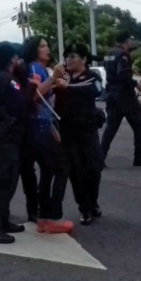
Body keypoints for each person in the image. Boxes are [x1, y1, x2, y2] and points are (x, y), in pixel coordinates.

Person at [0, 42, 34, 244]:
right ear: (12, 59)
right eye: (17, 57)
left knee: (2, 181)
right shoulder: (8, 79)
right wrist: (31, 87)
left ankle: (2, 220)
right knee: (5, 184)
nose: (20, 61)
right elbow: (21, 105)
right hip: (4, 137)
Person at [22, 36, 73, 234]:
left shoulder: (38, 68)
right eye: (42, 46)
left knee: (49, 169)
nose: (47, 49)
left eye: (47, 45)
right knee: (61, 167)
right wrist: (53, 79)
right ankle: (52, 216)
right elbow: (34, 95)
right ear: (34, 50)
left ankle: (44, 216)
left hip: (41, 124)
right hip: (40, 125)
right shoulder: (35, 69)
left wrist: (53, 85)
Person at [53, 43, 105, 225]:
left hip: (88, 129)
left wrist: (67, 87)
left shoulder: (92, 76)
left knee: (94, 167)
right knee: (76, 170)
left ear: (84, 59)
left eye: (73, 56)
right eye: (67, 56)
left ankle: (93, 201)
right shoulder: (62, 76)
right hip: (68, 130)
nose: (68, 60)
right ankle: (84, 208)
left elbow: (95, 90)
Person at [100, 31, 141, 167]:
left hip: (111, 94)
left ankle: (99, 158)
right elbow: (123, 76)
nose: (132, 43)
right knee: (139, 125)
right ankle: (139, 156)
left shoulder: (109, 53)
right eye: (130, 40)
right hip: (125, 96)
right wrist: (137, 85)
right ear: (126, 41)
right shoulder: (123, 54)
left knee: (110, 128)